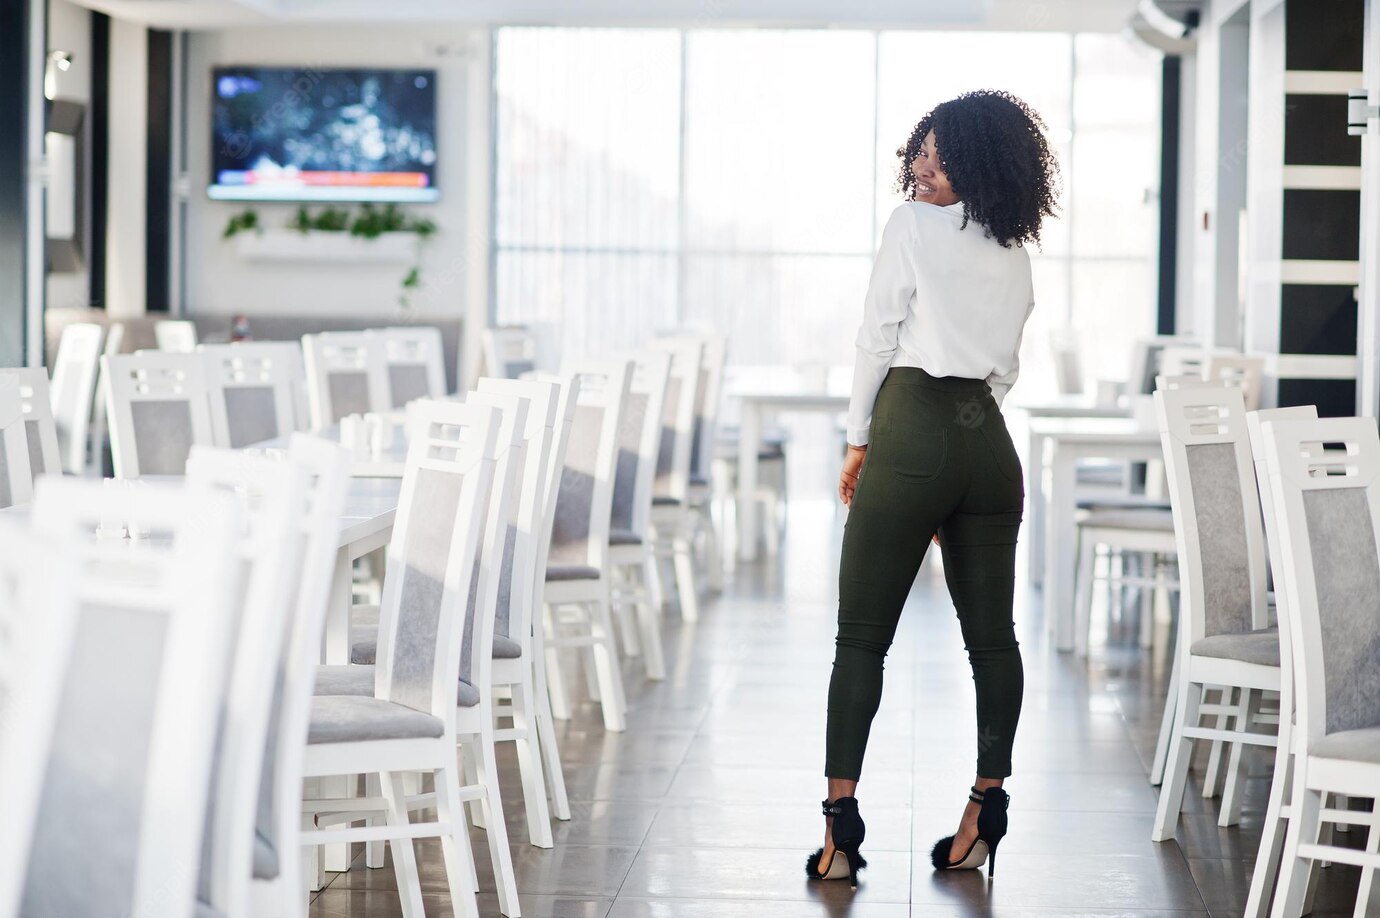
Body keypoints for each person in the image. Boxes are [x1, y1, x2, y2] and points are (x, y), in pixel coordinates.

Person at [806, 89, 1059, 888]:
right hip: (989, 446)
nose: (924, 171)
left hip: (909, 430)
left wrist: (858, 440)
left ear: (983, 166)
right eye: (921, 153)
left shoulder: (910, 229)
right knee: (994, 640)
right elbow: (1006, 370)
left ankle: (840, 837)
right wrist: (965, 439)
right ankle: (986, 809)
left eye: (944, 160)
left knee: (861, 638)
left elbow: (876, 336)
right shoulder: (1015, 250)